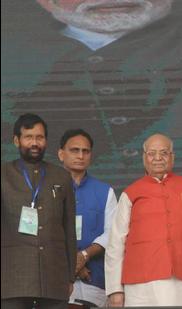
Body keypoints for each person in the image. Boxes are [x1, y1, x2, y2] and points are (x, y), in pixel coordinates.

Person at [104, 133, 182, 307]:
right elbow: (115, 243)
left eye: (164, 153)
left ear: (172, 157)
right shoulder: (130, 193)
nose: (157, 158)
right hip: (139, 285)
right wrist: (114, 289)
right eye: (151, 153)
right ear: (144, 158)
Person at [1, 113, 76, 309]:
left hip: (54, 277)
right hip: (11, 279)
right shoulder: (3, 175)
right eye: (29, 137)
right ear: (17, 140)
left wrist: (69, 277)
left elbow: (69, 230)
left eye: (40, 137)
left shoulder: (62, 177)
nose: (35, 142)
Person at [57, 129, 117, 308]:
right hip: (56, 281)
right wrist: (73, 264)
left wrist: (84, 255)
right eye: (74, 150)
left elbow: (112, 233)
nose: (80, 155)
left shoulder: (105, 191)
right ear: (61, 154)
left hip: (95, 281)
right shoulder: (48, 189)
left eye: (86, 151)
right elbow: (43, 232)